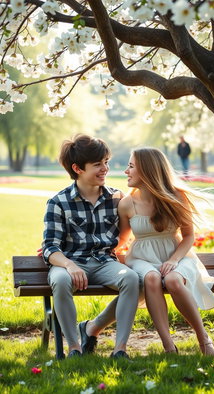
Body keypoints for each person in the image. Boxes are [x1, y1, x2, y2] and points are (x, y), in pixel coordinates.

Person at [42, 134, 139, 359]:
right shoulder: (58, 202)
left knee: (132, 278)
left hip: (105, 262)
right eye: (97, 164)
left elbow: (128, 235)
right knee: (61, 279)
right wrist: (68, 265)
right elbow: (50, 247)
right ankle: (75, 348)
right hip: (70, 263)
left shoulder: (116, 198)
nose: (105, 168)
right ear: (77, 168)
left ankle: (120, 349)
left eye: (106, 162)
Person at [117, 147, 214, 355]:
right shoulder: (127, 203)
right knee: (152, 278)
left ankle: (203, 338)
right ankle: (168, 346)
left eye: (131, 166)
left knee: (172, 280)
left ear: (147, 170)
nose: (126, 171)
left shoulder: (176, 196)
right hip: (141, 258)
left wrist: (173, 260)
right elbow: (121, 240)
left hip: (177, 255)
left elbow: (189, 236)